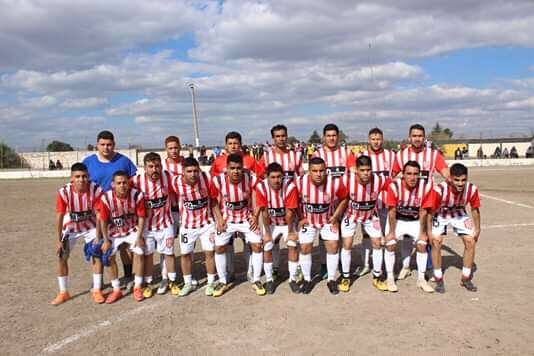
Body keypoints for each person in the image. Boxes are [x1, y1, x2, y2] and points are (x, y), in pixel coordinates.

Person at [82, 130, 137, 290]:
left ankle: (128, 276)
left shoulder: (124, 161)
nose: (106, 148)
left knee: (124, 247)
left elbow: (132, 181)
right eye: (103, 144)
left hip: (121, 211)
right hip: (97, 213)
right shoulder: (88, 162)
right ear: (97, 145)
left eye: (109, 144)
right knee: (98, 245)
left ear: (114, 144)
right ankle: (99, 281)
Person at [209, 153, 265, 297]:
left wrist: (255, 215)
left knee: (257, 245)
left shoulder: (251, 177)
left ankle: (256, 279)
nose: (236, 171)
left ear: (243, 168)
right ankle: (222, 280)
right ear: (227, 168)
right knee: (219, 247)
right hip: (227, 219)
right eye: (232, 168)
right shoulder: (218, 180)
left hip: (246, 218)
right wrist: (219, 219)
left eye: (239, 168)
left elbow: (260, 196)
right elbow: (213, 200)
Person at [51, 163, 104, 305]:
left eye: (84, 176)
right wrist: (58, 240)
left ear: (88, 176)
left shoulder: (96, 189)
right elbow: (60, 215)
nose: (81, 179)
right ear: (72, 178)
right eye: (78, 177)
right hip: (71, 227)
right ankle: (63, 292)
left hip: (90, 226)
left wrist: (98, 236)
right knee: (62, 257)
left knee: (96, 253)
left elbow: (99, 215)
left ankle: (97, 289)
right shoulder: (64, 192)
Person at [295, 157, 348, 295]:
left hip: (327, 221)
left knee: (333, 246)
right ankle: (307, 280)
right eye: (315, 171)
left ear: (326, 170)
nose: (318, 174)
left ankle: (331, 280)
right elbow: (293, 202)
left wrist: (335, 216)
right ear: (309, 171)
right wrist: (301, 217)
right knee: (305, 247)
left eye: (321, 171)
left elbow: (344, 198)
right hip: (309, 221)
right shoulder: (300, 182)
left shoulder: (334, 183)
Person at [210, 131, 260, 280]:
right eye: (230, 143)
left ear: (240, 144)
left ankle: (251, 272)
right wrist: (219, 217)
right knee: (227, 244)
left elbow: (257, 188)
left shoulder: (250, 161)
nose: (233, 146)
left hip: (246, 212)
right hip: (227, 212)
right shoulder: (218, 161)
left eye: (236, 143)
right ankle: (228, 272)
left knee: (249, 242)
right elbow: (215, 190)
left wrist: (254, 213)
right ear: (226, 145)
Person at [256, 124, 304, 278]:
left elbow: (300, 176)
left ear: (287, 136)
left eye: (283, 135)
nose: (281, 139)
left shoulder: (295, 155)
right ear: (273, 138)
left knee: (296, 240)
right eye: (277, 136)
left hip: (292, 200)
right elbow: (260, 178)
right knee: (273, 241)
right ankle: (274, 268)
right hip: (273, 204)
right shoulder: (267, 156)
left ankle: (297, 270)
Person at [131, 152, 180, 298]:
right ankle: (148, 282)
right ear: (144, 168)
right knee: (148, 255)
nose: (154, 170)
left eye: (157, 166)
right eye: (150, 167)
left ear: (161, 166)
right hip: (146, 227)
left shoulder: (168, 176)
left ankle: (172, 281)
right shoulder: (136, 181)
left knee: (169, 253)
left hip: (166, 224)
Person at [339, 155, 390, 292]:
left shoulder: (379, 179)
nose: (366, 173)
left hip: (370, 216)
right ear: (356, 170)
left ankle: (377, 276)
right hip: (351, 215)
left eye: (368, 170)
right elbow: (338, 196)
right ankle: (345, 277)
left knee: (377, 243)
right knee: (347, 244)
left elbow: (394, 187)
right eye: (362, 170)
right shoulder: (347, 180)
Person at [428, 163, 481, 293]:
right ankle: (438, 278)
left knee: (470, 240)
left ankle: (466, 278)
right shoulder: (439, 190)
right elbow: (429, 212)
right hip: (440, 213)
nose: (460, 183)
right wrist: (428, 231)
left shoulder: (472, 189)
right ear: (450, 178)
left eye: (463, 180)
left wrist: (478, 228)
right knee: (436, 241)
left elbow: (475, 209)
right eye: (456, 180)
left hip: (459, 213)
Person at [385, 161, 435, 293]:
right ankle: (390, 277)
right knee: (390, 243)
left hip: (415, 220)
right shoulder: (394, 186)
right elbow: (392, 210)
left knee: (422, 244)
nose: (412, 177)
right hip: (398, 220)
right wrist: (391, 232)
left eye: (415, 174)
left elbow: (424, 211)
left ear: (419, 175)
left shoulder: (426, 187)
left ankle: (421, 279)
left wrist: (423, 232)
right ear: (403, 174)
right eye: (409, 174)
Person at [312, 123, 354, 279]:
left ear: (338, 136)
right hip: (325, 200)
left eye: (334, 135)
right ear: (324, 137)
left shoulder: (346, 152)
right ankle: (324, 264)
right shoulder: (317, 153)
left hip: (344, 199)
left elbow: (353, 171)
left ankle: (342, 263)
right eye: (328, 135)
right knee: (325, 234)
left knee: (344, 233)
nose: (331, 138)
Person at [171, 157, 217, 297]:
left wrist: (219, 219)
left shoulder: (207, 178)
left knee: (209, 253)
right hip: (187, 226)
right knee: (185, 255)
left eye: (195, 171)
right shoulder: (175, 182)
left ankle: (210, 283)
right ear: (183, 172)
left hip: (206, 224)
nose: (193, 174)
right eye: (189, 171)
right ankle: (188, 283)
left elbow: (214, 200)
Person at [98, 171, 146, 303]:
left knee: (139, 252)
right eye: (119, 183)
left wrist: (139, 236)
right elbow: (102, 220)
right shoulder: (106, 198)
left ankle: (137, 286)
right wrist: (106, 240)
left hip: (132, 229)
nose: (122, 185)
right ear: (113, 184)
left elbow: (141, 217)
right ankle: (116, 289)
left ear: (129, 183)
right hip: (114, 232)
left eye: (125, 182)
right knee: (108, 255)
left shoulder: (137, 195)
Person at [355, 127, 396, 277]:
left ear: (382, 140)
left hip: (385, 203)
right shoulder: (361, 155)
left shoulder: (391, 155)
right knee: (366, 234)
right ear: (368, 140)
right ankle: (365, 264)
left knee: (384, 235)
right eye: (373, 139)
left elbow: (395, 174)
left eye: (378, 139)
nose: (376, 142)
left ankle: (384, 266)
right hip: (367, 204)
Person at [255, 163, 300, 294]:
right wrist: (267, 233)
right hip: (272, 222)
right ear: (267, 177)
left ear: (283, 176)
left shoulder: (290, 187)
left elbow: (290, 212)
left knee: (292, 245)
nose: (276, 180)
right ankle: (269, 280)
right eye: (273, 177)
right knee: (267, 246)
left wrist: (291, 232)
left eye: (279, 177)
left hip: (287, 223)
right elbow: (264, 212)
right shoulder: (261, 187)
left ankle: (293, 279)